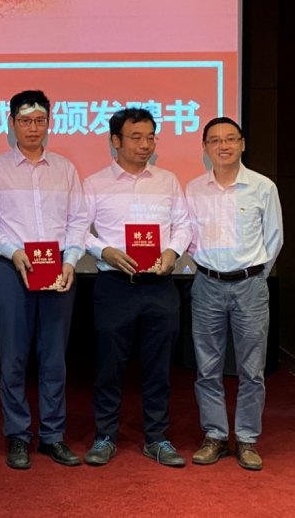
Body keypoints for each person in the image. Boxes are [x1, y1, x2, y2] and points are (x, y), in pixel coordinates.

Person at [0, 89, 88, 469]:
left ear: (49, 122)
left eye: (39, 120)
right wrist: (13, 251)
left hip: (57, 269)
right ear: (11, 123)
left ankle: (52, 436)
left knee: (54, 358)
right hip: (13, 269)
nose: (33, 128)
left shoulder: (65, 169)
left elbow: (78, 220)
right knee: (14, 358)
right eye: (25, 121)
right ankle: (18, 436)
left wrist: (71, 260)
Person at [82, 108, 191, 467]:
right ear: (115, 141)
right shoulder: (95, 183)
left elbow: (183, 224)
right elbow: (77, 229)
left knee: (159, 367)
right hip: (115, 285)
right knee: (109, 366)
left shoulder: (168, 181)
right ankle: (105, 436)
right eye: (136, 137)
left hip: (159, 285)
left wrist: (172, 251)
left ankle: (157, 438)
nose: (145, 144)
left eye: (150, 137)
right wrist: (105, 250)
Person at [185, 117, 283, 471]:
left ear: (242, 144)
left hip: (250, 287)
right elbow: (187, 237)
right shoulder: (193, 189)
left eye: (230, 139)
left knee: (252, 370)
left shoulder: (263, 187)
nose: (223, 146)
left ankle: (246, 439)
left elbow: (274, 238)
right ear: (205, 148)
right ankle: (214, 435)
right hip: (207, 285)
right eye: (215, 140)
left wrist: (252, 275)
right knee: (207, 368)